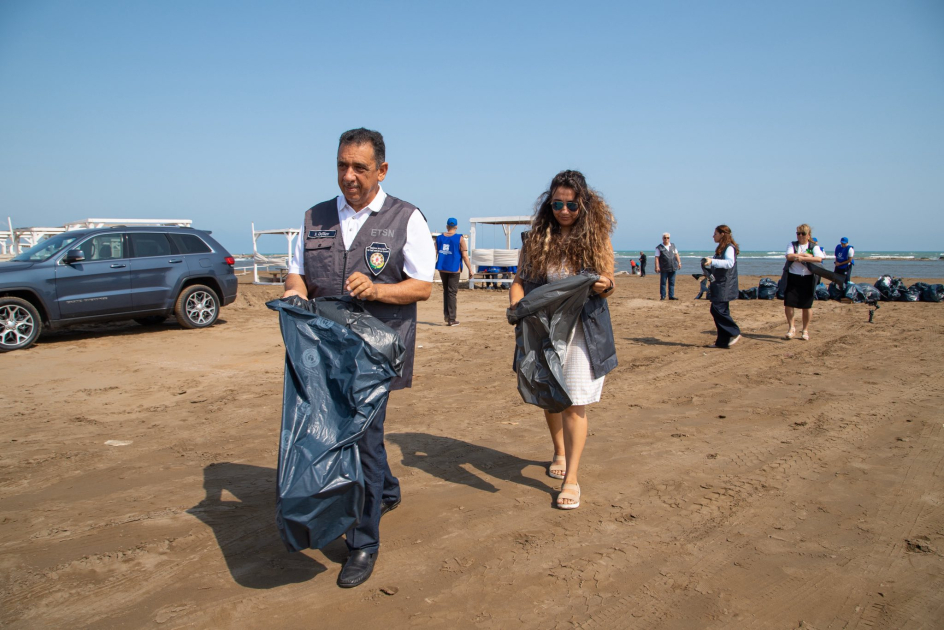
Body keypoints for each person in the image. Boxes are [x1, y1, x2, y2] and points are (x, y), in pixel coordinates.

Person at [282, 128, 435, 588]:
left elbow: (422, 285)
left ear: (381, 170)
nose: (348, 176)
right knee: (330, 432)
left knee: (361, 440)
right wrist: (294, 293)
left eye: (360, 168)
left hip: (376, 353)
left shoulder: (406, 218)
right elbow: (297, 274)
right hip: (322, 354)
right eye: (342, 165)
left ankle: (363, 541)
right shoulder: (314, 217)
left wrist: (379, 290)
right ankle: (386, 488)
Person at [509, 170, 617, 510]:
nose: (564, 211)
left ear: (583, 204)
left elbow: (609, 282)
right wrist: (517, 308)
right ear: (548, 204)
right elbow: (520, 282)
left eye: (571, 205)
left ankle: (571, 478)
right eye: (557, 204)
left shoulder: (597, 238)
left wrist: (603, 285)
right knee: (550, 395)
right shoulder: (535, 240)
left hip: (583, 331)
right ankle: (557, 448)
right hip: (543, 330)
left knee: (575, 401)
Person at [782, 223, 824, 341]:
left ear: (808, 235)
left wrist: (803, 258)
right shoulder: (792, 244)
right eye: (798, 233)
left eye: (803, 234)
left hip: (808, 278)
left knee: (806, 306)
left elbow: (819, 258)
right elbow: (789, 256)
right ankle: (791, 328)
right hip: (793, 277)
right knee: (789, 303)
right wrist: (802, 255)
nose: (800, 236)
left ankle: (805, 330)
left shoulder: (813, 246)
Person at [702, 225, 741, 348]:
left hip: (725, 285)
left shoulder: (729, 248)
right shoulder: (722, 248)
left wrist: (712, 261)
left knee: (718, 309)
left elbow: (729, 263)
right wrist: (709, 260)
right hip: (719, 283)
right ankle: (722, 342)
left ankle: (734, 332)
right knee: (719, 310)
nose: (713, 236)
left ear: (722, 234)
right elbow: (720, 260)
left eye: (715, 233)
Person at [435, 218, 474, 326]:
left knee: (446, 291)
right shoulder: (459, 238)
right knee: (452, 293)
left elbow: (434, 253)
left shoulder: (439, 238)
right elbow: (465, 256)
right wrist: (470, 269)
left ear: (447, 226)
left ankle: (447, 315)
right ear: (456, 227)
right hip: (454, 268)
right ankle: (452, 319)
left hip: (442, 267)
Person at [654, 233, 682, 300]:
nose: (666, 239)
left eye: (668, 238)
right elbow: (657, 258)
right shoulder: (659, 247)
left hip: (673, 267)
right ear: (662, 238)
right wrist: (657, 266)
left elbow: (676, 254)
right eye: (665, 238)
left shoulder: (673, 245)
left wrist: (679, 262)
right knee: (663, 282)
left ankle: (671, 295)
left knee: (672, 282)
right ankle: (663, 296)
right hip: (664, 268)